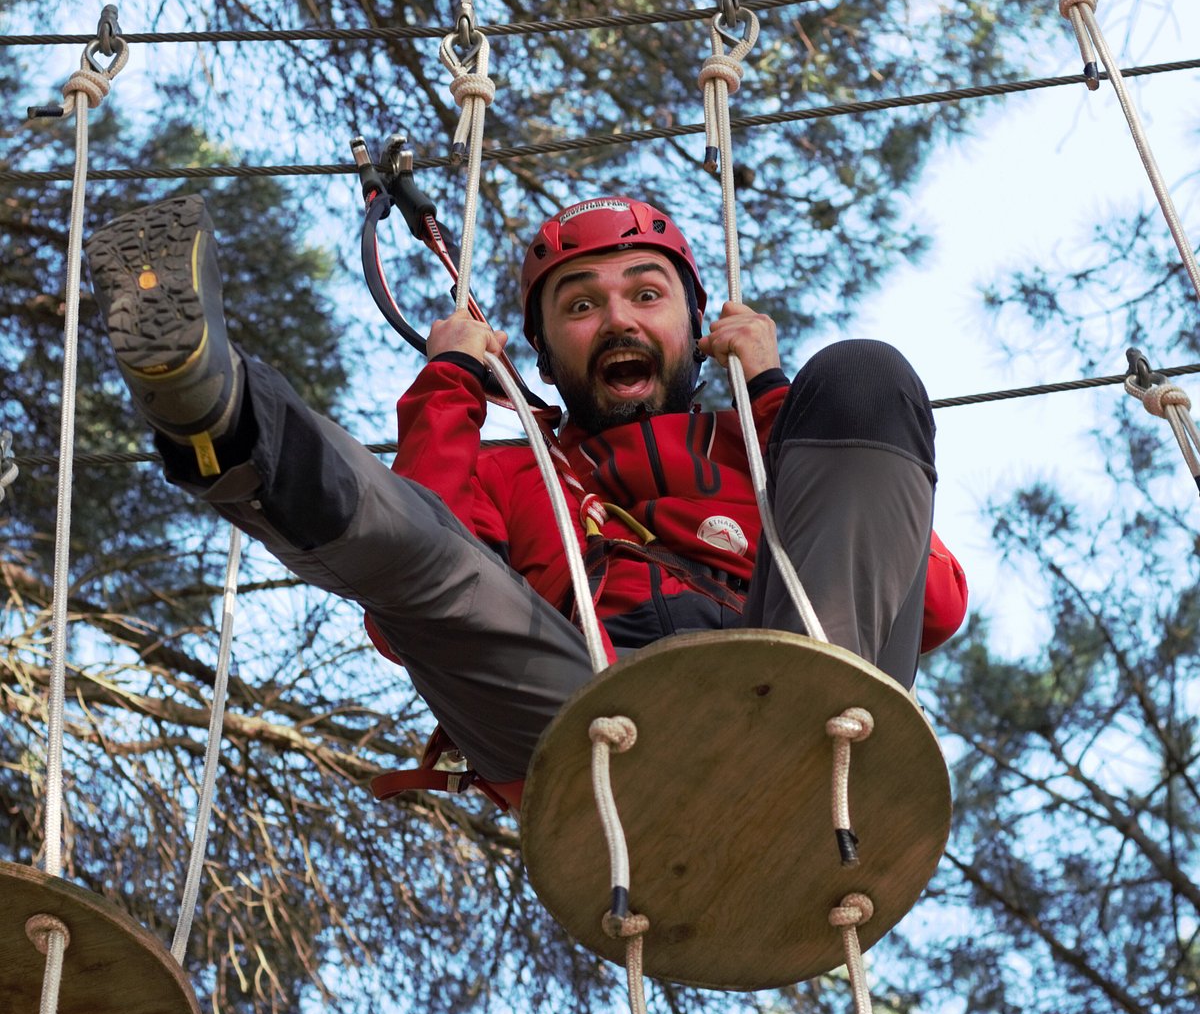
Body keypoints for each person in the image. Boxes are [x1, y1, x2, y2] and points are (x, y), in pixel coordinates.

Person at [86, 193, 967, 792]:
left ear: (695, 332)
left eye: (647, 294)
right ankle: (219, 415)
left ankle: (799, 730)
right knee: (425, 556)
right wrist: (449, 390)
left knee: (863, 373)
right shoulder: (518, 474)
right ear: (542, 361)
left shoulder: (763, 448)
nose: (618, 319)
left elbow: (930, 599)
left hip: (798, 687)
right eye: (579, 306)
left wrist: (770, 396)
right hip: (588, 722)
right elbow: (406, 607)